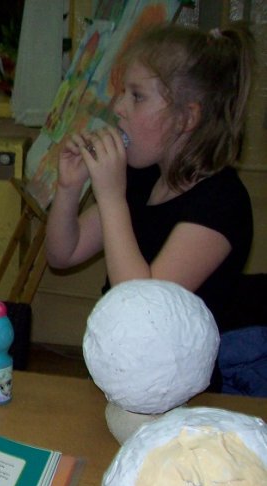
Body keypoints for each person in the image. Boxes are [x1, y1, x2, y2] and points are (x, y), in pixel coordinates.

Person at [45, 23, 255, 337]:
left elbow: (142, 312)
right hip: (118, 355)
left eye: (137, 96)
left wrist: (111, 197)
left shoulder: (221, 202)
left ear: (186, 118)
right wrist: (69, 187)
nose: (118, 107)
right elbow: (62, 254)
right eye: (123, 93)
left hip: (176, 364)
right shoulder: (142, 178)